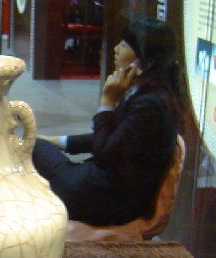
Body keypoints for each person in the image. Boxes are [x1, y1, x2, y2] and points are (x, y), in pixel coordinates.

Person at [33, 18, 183, 226]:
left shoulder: (149, 106)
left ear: (144, 59)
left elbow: (104, 154)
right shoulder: (149, 93)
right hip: (105, 188)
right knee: (38, 146)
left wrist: (107, 102)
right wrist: (59, 141)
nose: (115, 49)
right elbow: (117, 139)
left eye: (124, 45)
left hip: (107, 201)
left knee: (33, 149)